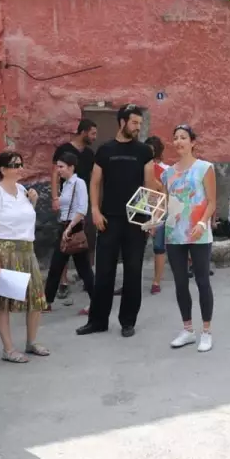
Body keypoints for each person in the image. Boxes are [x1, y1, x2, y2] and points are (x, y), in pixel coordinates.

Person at [78, 105, 158, 338]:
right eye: (134, 123)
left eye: (139, 124)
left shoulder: (144, 151)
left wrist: (149, 219)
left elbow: (150, 187)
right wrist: (94, 209)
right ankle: (98, 321)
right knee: (104, 272)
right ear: (122, 122)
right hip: (108, 220)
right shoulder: (104, 150)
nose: (137, 128)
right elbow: (94, 183)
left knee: (133, 272)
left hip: (136, 221)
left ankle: (128, 322)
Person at [0, 151, 46, 362]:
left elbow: (24, 219)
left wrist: (33, 203)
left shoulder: (22, 190)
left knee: (36, 298)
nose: (20, 168)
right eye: (15, 164)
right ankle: (8, 349)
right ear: (3, 169)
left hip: (27, 250)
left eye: (21, 163)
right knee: (4, 303)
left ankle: (32, 341)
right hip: (5, 250)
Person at [160, 126, 217, 352]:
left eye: (183, 138)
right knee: (180, 282)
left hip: (199, 233)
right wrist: (155, 221)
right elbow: (167, 204)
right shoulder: (167, 174)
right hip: (175, 233)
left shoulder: (205, 168)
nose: (179, 141)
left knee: (202, 280)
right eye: (175, 138)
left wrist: (203, 222)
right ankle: (187, 330)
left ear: (193, 142)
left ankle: (207, 331)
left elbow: (211, 201)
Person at [51, 119, 98, 300]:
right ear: (83, 132)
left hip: (81, 203)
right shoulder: (64, 150)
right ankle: (63, 282)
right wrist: (55, 198)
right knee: (65, 246)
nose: (94, 137)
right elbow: (54, 173)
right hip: (67, 201)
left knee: (81, 243)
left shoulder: (89, 153)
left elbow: (93, 178)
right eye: (92, 133)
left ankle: (87, 281)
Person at [43, 152, 95, 311]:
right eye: (57, 166)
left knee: (82, 268)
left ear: (71, 167)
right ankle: (47, 301)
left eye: (61, 167)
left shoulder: (78, 183)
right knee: (58, 266)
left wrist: (70, 228)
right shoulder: (65, 185)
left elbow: (82, 209)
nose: (58, 170)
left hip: (74, 227)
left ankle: (97, 301)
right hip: (64, 226)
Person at [143, 136, 168, 296]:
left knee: (159, 247)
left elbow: (165, 194)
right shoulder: (141, 166)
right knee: (134, 248)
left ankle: (156, 281)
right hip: (141, 210)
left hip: (158, 211)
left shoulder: (166, 170)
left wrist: (156, 217)